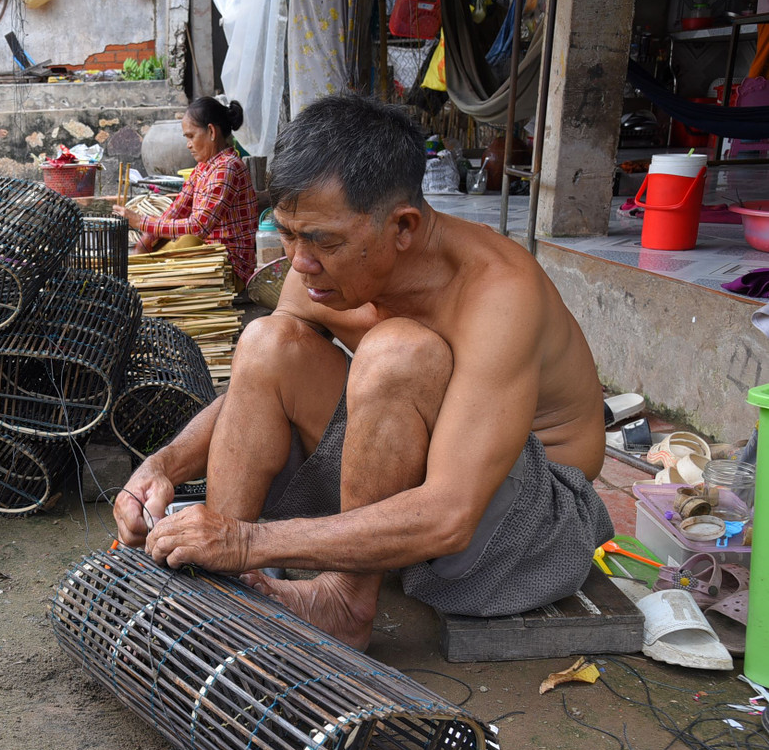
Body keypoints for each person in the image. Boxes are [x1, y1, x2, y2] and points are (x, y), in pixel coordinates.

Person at [112, 94, 614, 651]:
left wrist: (248, 541)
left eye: (323, 241)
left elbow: (449, 516)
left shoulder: (497, 294)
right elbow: (260, 380)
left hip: (526, 527)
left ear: (403, 227)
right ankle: (220, 584)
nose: (300, 262)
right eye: (289, 233)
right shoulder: (319, 261)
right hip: (426, 486)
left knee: (395, 352)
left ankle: (346, 602)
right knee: (267, 339)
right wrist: (162, 467)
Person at [113, 96, 259, 283]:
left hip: (228, 267)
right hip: (208, 257)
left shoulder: (227, 167)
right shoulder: (203, 167)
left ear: (212, 132)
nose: (188, 144)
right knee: (160, 244)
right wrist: (147, 239)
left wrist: (141, 222)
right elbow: (177, 210)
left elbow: (198, 227)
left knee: (187, 242)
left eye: (191, 136)